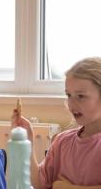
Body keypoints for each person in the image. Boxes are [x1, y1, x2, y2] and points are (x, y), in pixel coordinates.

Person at [12, 57, 101, 189]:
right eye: (68, 95)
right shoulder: (62, 142)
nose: (71, 103)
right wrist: (28, 144)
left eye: (81, 96)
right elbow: (38, 184)